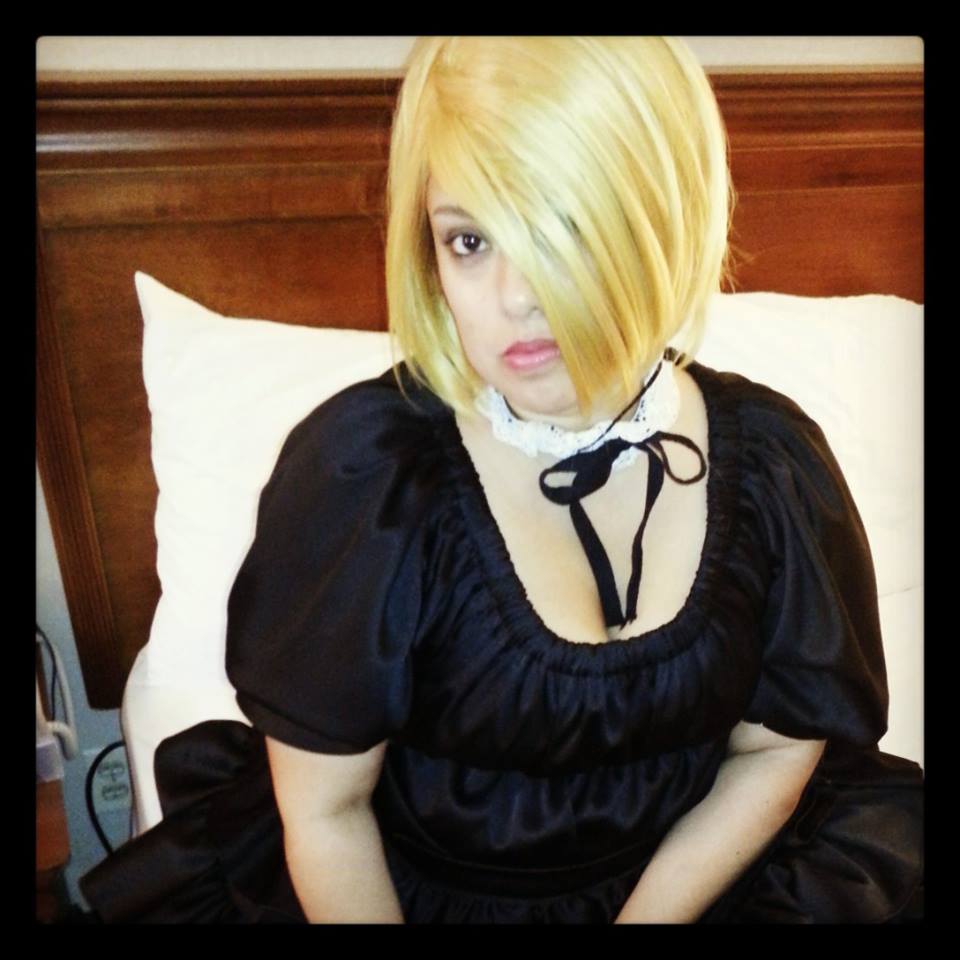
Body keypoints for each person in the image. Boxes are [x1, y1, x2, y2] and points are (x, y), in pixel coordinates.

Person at [81, 36, 923, 924]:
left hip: (698, 880)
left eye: (565, 228)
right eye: (470, 240)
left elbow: (775, 754)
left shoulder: (774, 466)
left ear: (663, 221)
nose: (513, 296)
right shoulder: (369, 479)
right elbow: (327, 815)